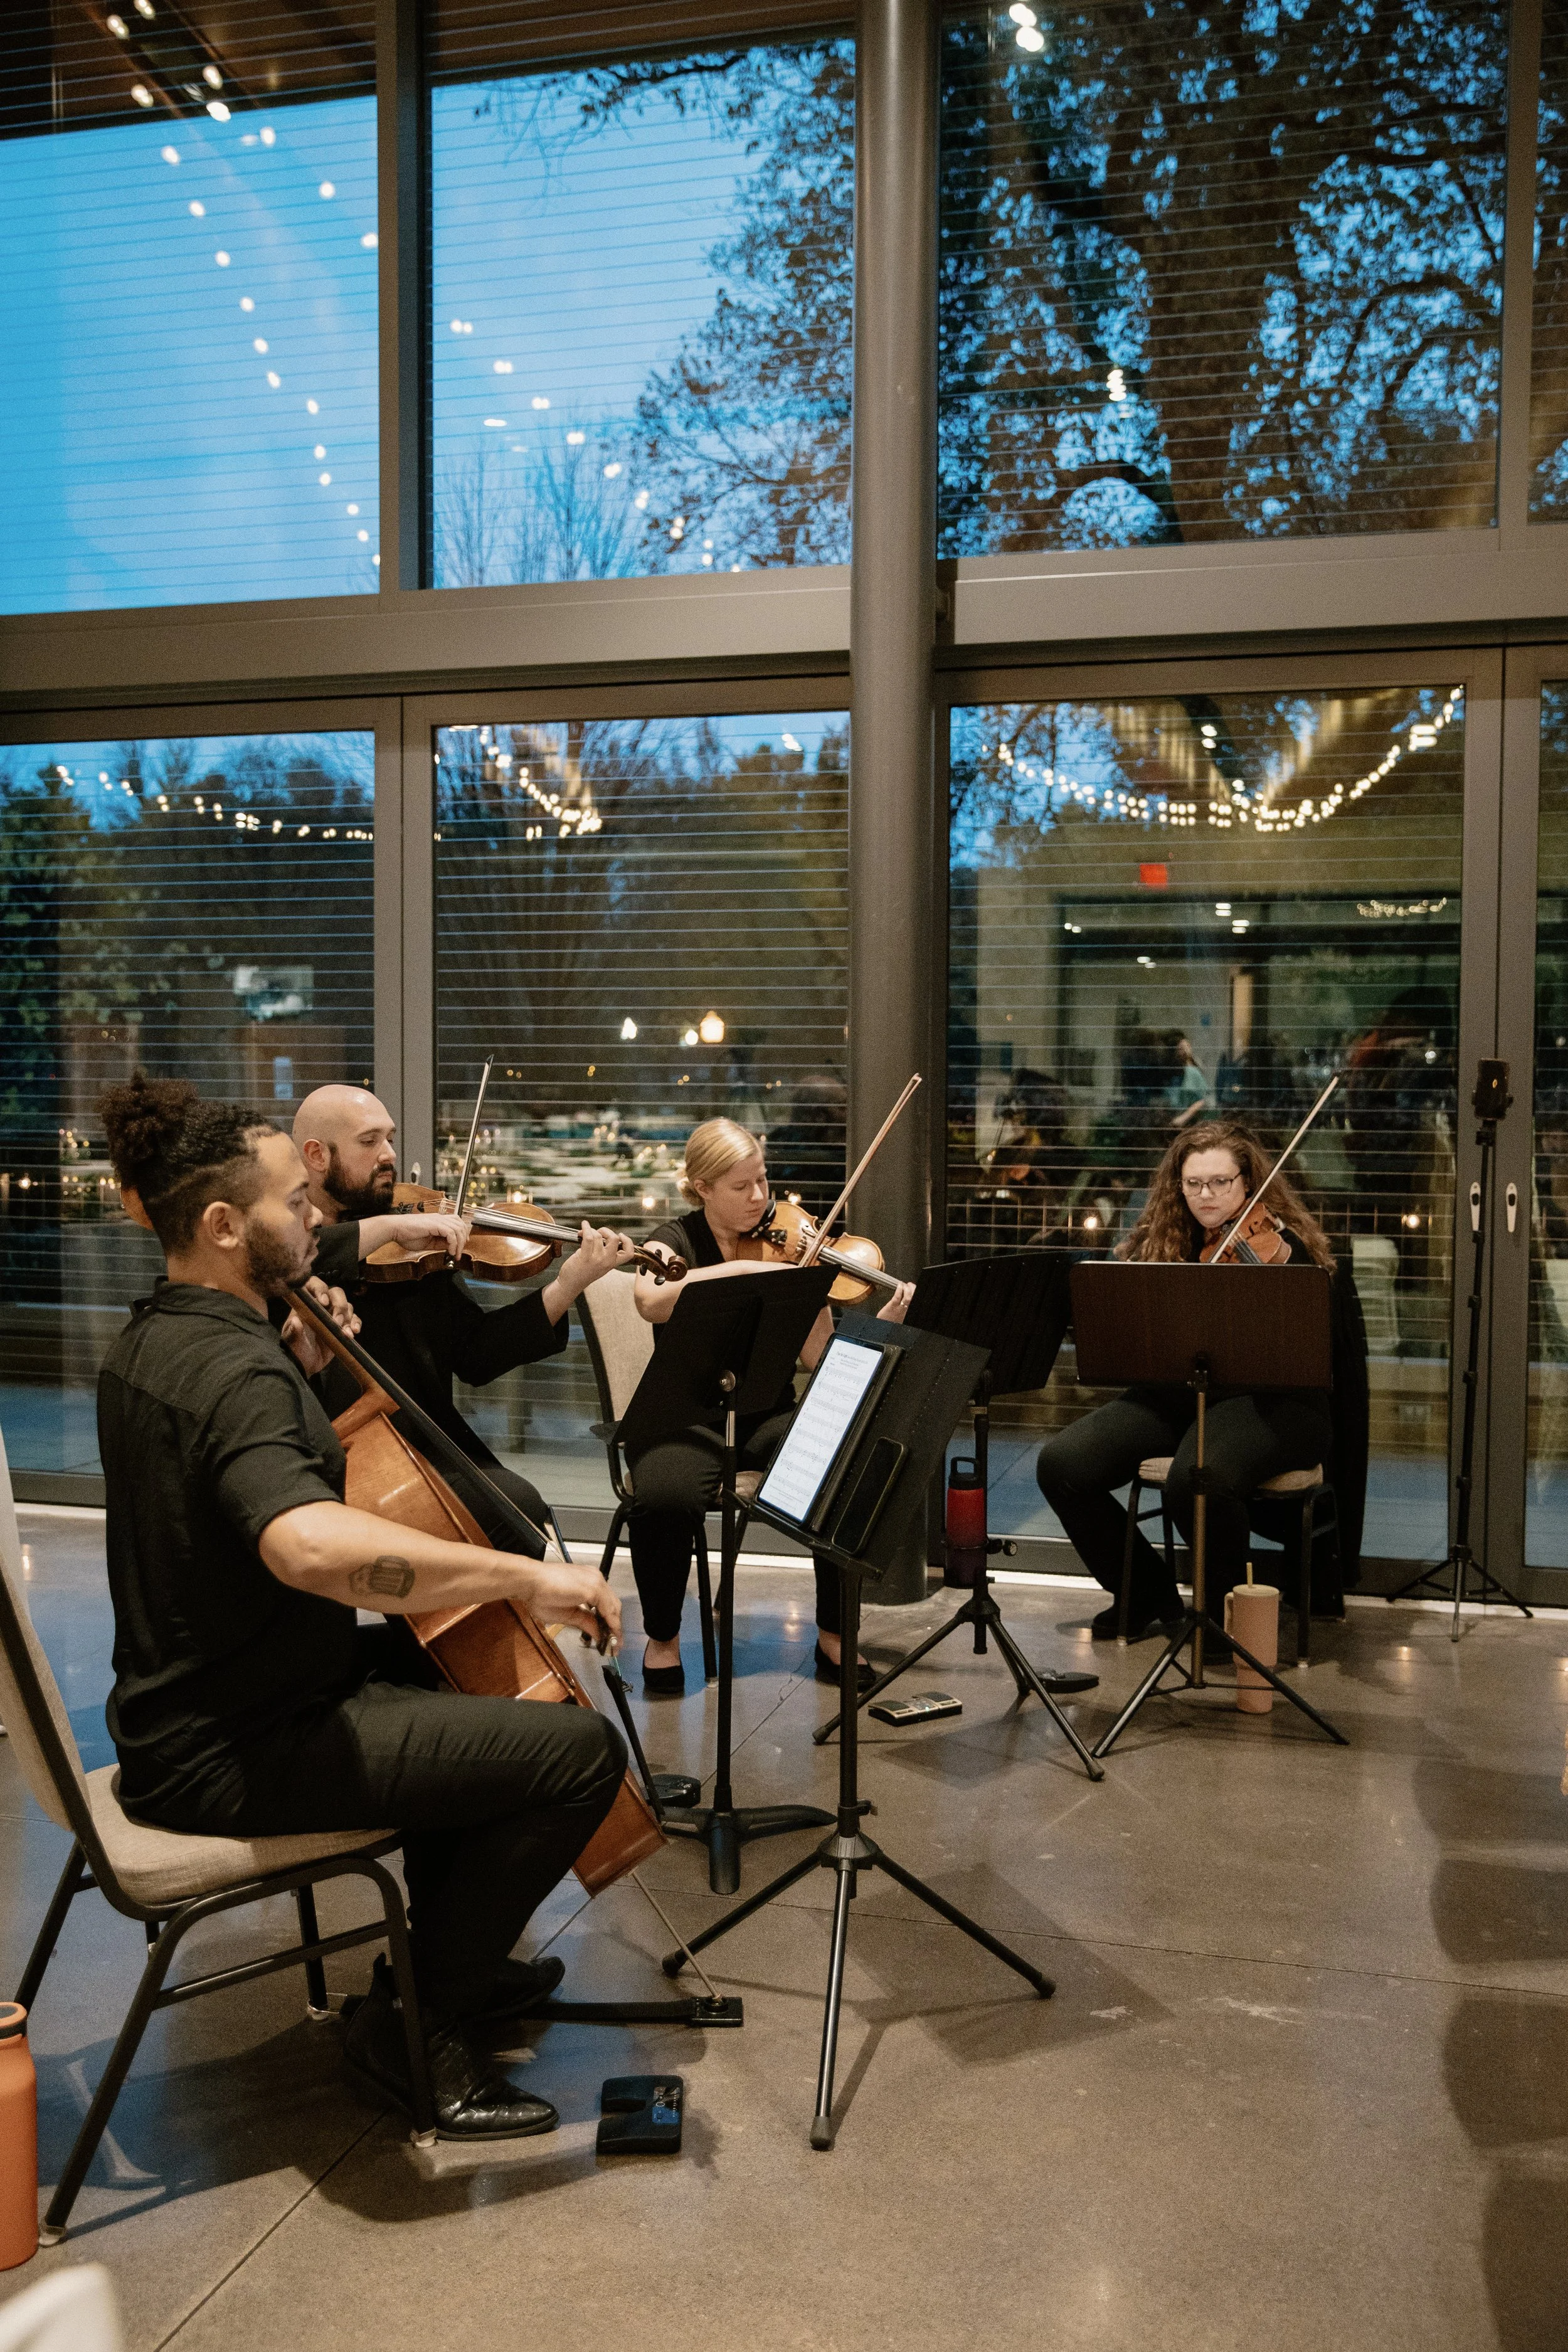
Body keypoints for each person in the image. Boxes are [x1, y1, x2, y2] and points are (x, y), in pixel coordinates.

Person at [96, 1073, 627, 2141]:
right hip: (241, 1748)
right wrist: (526, 1576)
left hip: (192, 1710)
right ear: (219, 1223)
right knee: (579, 1757)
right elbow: (303, 1545)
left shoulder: (160, 1338)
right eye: (292, 1202)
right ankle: (410, 2033)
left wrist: (301, 1361)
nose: (314, 1219)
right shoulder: (232, 1369)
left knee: (448, 1676)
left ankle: (449, 1977)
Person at [1036, 1118, 1364, 1643]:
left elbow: (1306, 1338)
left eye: (1221, 1183)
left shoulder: (1282, 1247)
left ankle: (1222, 1619)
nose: (1206, 1195)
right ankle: (1144, 1593)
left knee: (1197, 1473)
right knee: (1063, 1464)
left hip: (1277, 1404)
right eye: (1193, 1184)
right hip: (1182, 1394)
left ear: (1248, 1182)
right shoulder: (1169, 1239)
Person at [628, 1117, 915, 1696]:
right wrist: (745, 1270)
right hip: (684, 1421)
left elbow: (820, 1361)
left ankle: (836, 1634)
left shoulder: (795, 1251)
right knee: (662, 1497)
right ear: (702, 1187)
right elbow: (649, 1299)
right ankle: (661, 1641)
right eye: (742, 1187)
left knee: (845, 1461)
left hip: (765, 1415)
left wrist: (876, 1330)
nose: (760, 1197)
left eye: (764, 1181)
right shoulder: (674, 1240)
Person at [292, 1085, 635, 1557]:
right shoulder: (287, 1238)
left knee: (518, 1511)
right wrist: (390, 1227)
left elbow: (476, 1355)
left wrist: (567, 1284)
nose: (389, 1154)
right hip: (330, 1456)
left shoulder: (410, 1243)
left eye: (390, 1139)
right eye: (369, 1142)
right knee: (511, 1514)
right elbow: (307, 1256)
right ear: (316, 1155)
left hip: (425, 1443)